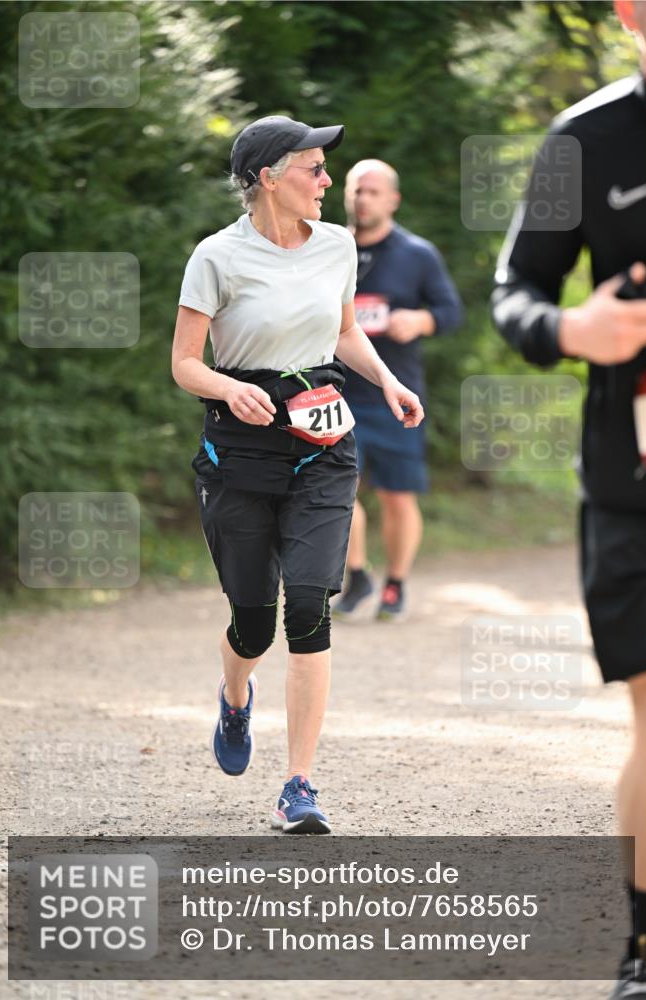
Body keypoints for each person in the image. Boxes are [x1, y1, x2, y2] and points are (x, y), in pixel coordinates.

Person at [172, 116, 424, 834]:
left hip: (322, 438)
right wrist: (226, 389)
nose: (326, 182)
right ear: (267, 179)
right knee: (252, 622)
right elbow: (185, 361)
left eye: (325, 169)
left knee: (309, 603)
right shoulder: (216, 257)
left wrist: (383, 383)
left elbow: (345, 332)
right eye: (313, 169)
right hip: (241, 447)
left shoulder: (337, 246)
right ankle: (233, 694)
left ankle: (298, 785)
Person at [491, 2, 646, 994]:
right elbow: (515, 288)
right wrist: (568, 330)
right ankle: (645, 949)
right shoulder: (584, 140)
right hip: (636, 483)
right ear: (632, 11)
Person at [334, 159, 462, 621]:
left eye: (372, 192)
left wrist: (421, 320)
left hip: (395, 394)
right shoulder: (330, 248)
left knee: (396, 496)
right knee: (334, 488)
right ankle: (357, 574)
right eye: (356, 190)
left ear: (392, 200)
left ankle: (395, 584)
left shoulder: (417, 254)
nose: (362, 199)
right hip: (337, 392)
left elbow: (451, 311)